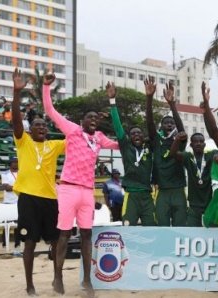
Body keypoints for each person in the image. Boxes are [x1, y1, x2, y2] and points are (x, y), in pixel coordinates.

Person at [42, 73, 119, 296]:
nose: (94, 120)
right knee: (64, 235)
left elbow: (118, 144)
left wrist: (132, 137)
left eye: (96, 118)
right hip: (67, 188)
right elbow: (51, 111)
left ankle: (87, 280)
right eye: (89, 118)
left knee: (87, 235)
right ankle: (58, 277)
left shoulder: (99, 138)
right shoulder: (72, 130)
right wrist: (47, 87)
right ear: (82, 121)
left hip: (87, 192)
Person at [11, 68, 66, 296]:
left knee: (54, 243)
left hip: (50, 199)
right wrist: (16, 93)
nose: (42, 128)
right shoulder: (22, 142)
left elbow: (73, 136)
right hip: (28, 198)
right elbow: (15, 120)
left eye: (44, 126)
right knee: (30, 243)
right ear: (30, 129)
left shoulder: (54, 146)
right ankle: (30, 285)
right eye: (37, 125)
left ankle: (57, 278)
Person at [109, 82, 156, 226]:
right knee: (128, 227)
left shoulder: (149, 147)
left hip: (147, 195)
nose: (136, 135)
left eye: (139, 133)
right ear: (130, 137)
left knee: (152, 227)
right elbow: (117, 127)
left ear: (143, 137)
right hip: (131, 194)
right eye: (133, 133)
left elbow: (152, 126)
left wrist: (149, 98)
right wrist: (112, 102)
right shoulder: (126, 147)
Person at [145, 76, 187, 227]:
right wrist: (149, 98)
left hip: (178, 190)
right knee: (162, 226)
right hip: (162, 191)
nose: (169, 124)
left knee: (180, 226)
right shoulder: (156, 140)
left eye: (171, 123)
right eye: (165, 123)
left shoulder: (180, 140)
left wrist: (172, 104)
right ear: (161, 126)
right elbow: (149, 122)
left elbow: (181, 128)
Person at [170, 131, 218, 227]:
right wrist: (177, 139)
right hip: (194, 205)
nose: (198, 143)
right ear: (191, 145)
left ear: (204, 144)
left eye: (201, 141)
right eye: (195, 142)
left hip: (210, 204)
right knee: (192, 232)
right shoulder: (188, 157)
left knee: (213, 233)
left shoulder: (212, 155)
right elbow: (173, 154)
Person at [0, 156, 21, 255]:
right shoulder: (5, 173)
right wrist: (19, 188)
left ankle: (17, 243)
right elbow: (6, 187)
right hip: (8, 202)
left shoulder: (22, 173)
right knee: (6, 224)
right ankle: (5, 243)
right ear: (10, 163)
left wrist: (13, 187)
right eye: (14, 162)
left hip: (19, 202)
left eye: (17, 162)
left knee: (18, 224)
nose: (16, 163)